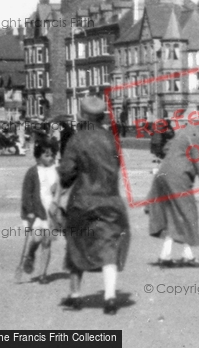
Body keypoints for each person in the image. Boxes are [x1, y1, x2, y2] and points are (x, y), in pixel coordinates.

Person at [57, 97, 130, 314]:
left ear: (82, 116)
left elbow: (67, 172)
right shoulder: (111, 139)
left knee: (76, 244)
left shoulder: (77, 140)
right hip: (110, 201)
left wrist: (64, 180)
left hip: (83, 200)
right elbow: (117, 165)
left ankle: (75, 295)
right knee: (109, 246)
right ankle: (109, 297)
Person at [146, 121, 199, 268]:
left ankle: (165, 255)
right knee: (188, 214)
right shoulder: (198, 136)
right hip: (178, 177)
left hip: (163, 174)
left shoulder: (186, 131)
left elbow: (166, 148)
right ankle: (187, 256)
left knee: (172, 215)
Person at [20, 137, 59, 284]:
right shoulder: (32, 172)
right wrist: (28, 211)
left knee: (47, 242)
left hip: (50, 211)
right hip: (35, 211)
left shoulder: (56, 171)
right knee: (37, 238)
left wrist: (58, 189)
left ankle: (43, 274)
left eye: (52, 155)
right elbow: (26, 193)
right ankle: (30, 253)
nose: (51, 158)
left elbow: (62, 188)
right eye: (47, 155)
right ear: (38, 156)